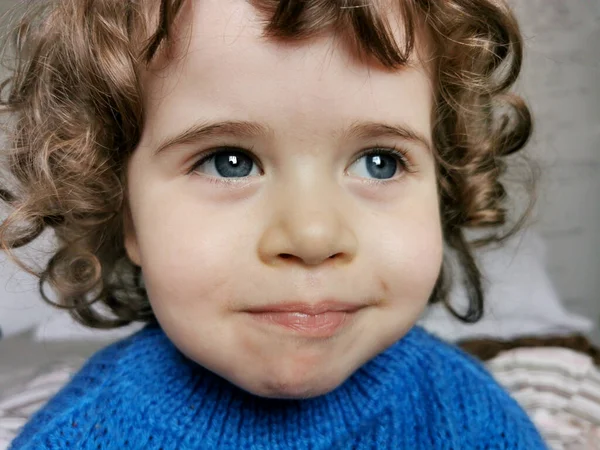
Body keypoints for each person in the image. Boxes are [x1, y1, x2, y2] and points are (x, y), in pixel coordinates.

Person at [0, 0, 547, 448]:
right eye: (228, 161)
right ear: (125, 212)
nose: (313, 236)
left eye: (380, 161)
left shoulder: (472, 421)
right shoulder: (80, 437)